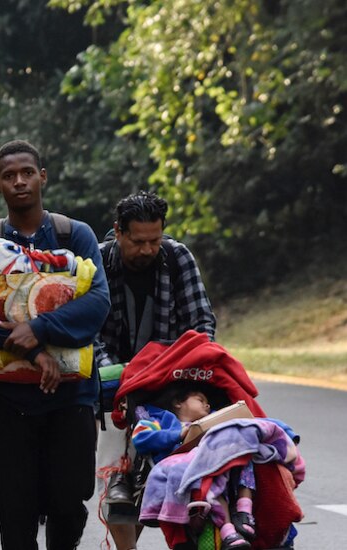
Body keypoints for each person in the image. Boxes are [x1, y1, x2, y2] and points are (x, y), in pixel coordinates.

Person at [0, 140, 110, 549]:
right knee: (15, 511)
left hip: (70, 397)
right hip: (5, 402)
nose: (19, 182)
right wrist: (31, 348)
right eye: (9, 176)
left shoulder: (75, 235)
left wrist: (40, 326)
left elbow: (98, 302)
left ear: (42, 176)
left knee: (68, 504)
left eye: (27, 173)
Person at [94, 190, 217, 549]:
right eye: (138, 241)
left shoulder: (178, 257)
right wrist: (118, 375)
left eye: (154, 240)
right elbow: (88, 332)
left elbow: (201, 323)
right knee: (116, 482)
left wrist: (183, 369)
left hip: (170, 380)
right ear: (118, 232)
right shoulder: (98, 261)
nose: (148, 249)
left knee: (164, 476)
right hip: (113, 386)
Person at [131, 386, 256, 549]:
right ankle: (227, 531)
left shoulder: (215, 418)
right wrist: (178, 434)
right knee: (208, 481)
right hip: (183, 471)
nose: (207, 405)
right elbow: (141, 438)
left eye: (208, 402)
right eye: (200, 400)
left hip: (215, 466)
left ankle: (243, 511)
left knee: (244, 453)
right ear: (178, 402)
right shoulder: (159, 419)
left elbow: (249, 423)